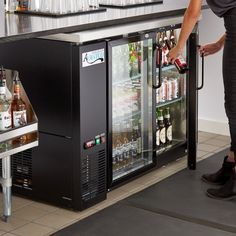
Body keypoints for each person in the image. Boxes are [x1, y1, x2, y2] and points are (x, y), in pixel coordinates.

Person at [168, 0, 236, 200]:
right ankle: (231, 163)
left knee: (234, 105)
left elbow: (193, 13)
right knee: (232, 102)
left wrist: (179, 47)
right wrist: (219, 43)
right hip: (232, 31)